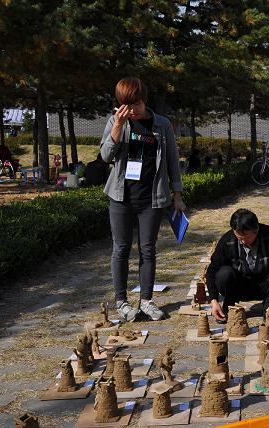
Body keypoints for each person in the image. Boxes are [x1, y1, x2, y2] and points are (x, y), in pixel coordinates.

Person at [100, 77, 185, 322]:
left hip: (152, 197)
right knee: (121, 248)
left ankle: (146, 301)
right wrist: (118, 126)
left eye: (135, 105)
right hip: (121, 196)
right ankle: (122, 302)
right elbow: (105, 156)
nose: (131, 111)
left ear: (144, 100)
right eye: (125, 106)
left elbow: (172, 161)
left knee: (148, 249)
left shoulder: (162, 124)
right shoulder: (116, 121)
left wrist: (177, 196)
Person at [206, 209, 269, 322]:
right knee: (224, 274)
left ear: (256, 230)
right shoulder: (227, 240)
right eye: (239, 238)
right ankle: (229, 307)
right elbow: (212, 271)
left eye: (247, 238)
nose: (243, 242)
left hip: (265, 284)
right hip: (238, 286)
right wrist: (213, 300)